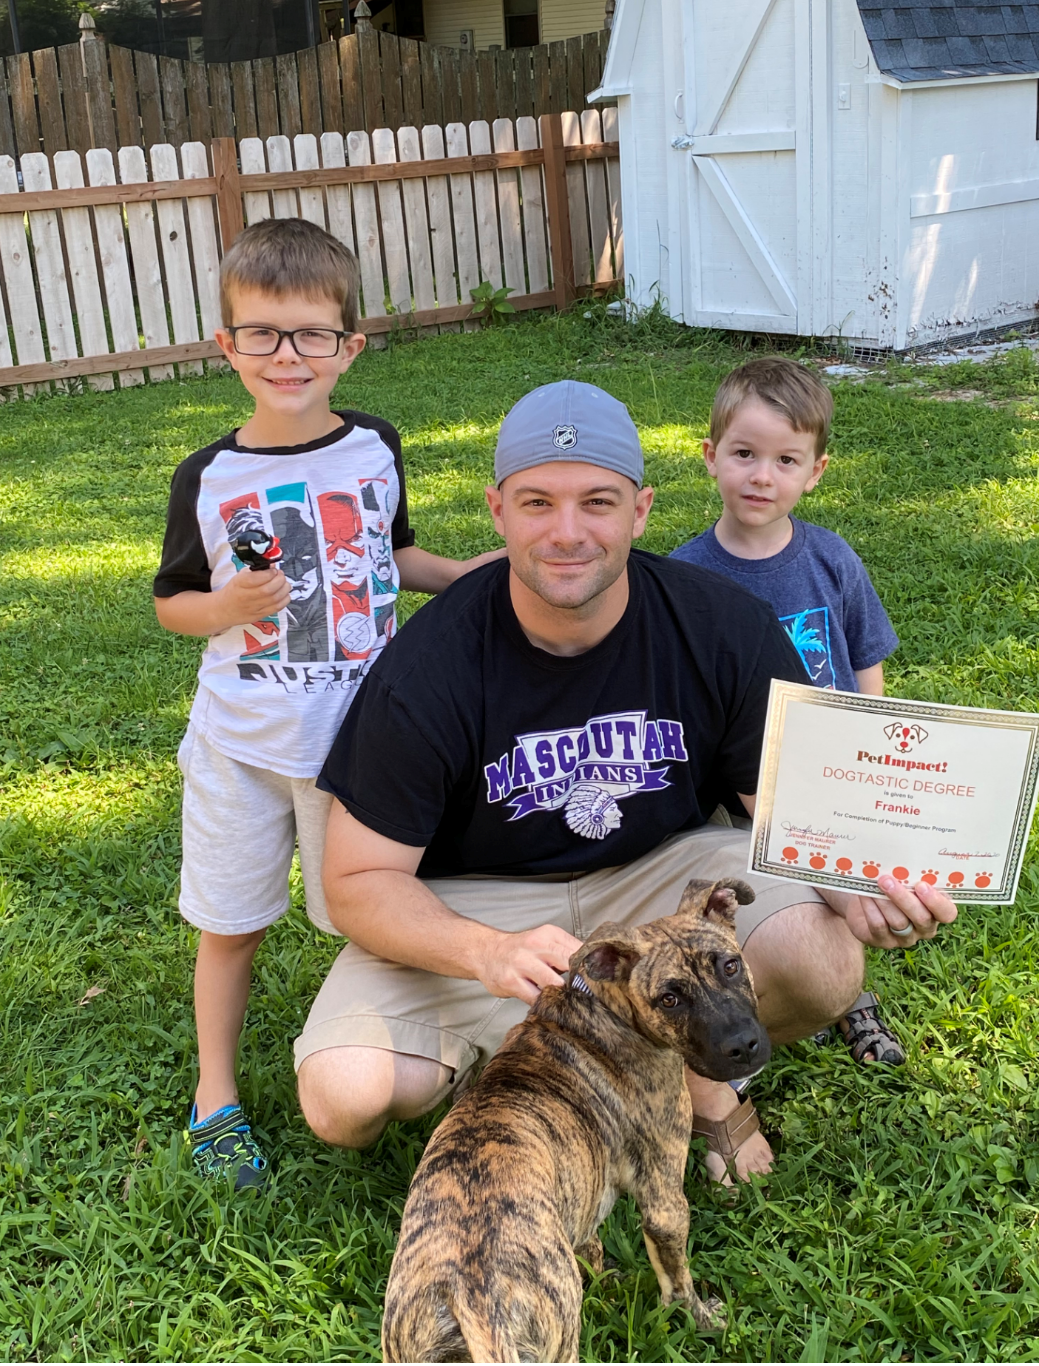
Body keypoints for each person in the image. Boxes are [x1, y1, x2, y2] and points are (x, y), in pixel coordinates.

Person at [296, 379, 957, 1186]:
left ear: (639, 511)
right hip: (481, 898)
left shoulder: (719, 625)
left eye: (597, 503)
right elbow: (357, 881)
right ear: (497, 511)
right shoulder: (430, 661)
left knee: (822, 959)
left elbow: (793, 814)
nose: (567, 533)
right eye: (537, 503)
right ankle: (561, 1060)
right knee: (345, 1098)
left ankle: (693, 1081)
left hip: (660, 877)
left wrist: (859, 891)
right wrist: (485, 952)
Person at [153, 218, 501, 1187]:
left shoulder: (376, 448)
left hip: (362, 745)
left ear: (349, 344)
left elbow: (390, 554)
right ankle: (213, 1093)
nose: (287, 356)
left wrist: (463, 572)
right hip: (243, 743)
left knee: (383, 910)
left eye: (311, 334)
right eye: (261, 333)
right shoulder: (209, 478)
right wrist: (223, 605)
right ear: (226, 345)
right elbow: (170, 599)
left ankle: (431, 1049)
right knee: (230, 923)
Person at [670, 357, 905, 1065]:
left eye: (784, 460)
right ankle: (731, 1020)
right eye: (743, 454)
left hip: (831, 763)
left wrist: (876, 747)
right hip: (733, 785)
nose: (760, 476)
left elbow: (864, 653)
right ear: (710, 457)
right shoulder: (684, 575)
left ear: (816, 470)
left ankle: (852, 1000)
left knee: (847, 889)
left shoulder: (831, 560)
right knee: (753, 903)